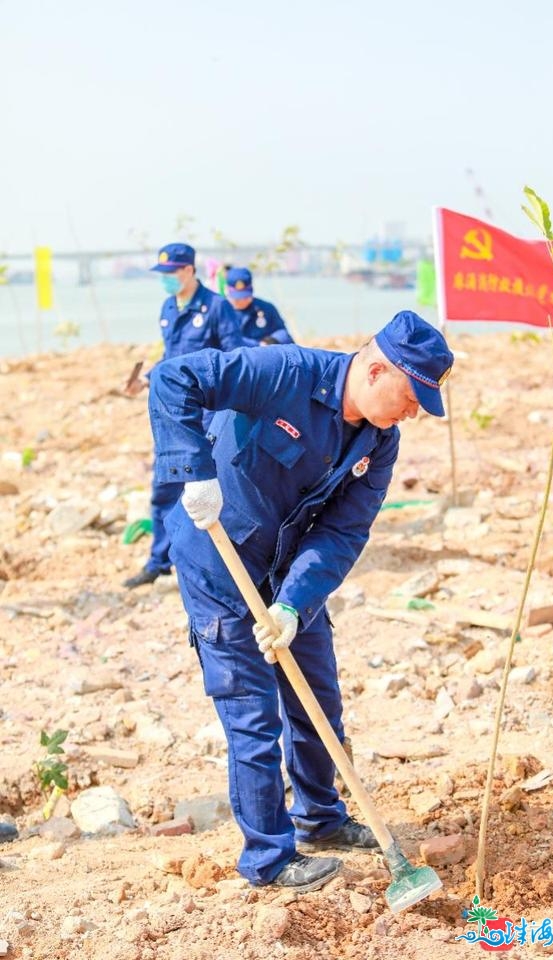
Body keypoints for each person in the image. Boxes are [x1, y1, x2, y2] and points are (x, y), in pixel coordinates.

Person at [148, 310, 454, 891]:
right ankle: (268, 858)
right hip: (220, 554)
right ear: (375, 368)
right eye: (412, 396)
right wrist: (192, 472)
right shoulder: (283, 371)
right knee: (252, 712)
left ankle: (320, 818)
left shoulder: (379, 444)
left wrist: (293, 605)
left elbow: (342, 533)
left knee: (317, 693)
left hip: (287, 567)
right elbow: (174, 379)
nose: (413, 412)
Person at [123, 242, 244, 589]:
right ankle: (159, 562)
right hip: (172, 414)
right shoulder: (167, 306)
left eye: (172, 272)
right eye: (162, 274)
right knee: (164, 489)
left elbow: (236, 359)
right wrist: (146, 378)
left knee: (211, 490)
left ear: (190, 270)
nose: (167, 280)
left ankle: (215, 568)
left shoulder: (218, 308)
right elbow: (171, 356)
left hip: (207, 415)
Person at [225, 266, 294, 345]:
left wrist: (271, 341)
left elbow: (283, 333)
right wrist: (256, 345)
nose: (242, 301)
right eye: (238, 298)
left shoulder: (266, 308)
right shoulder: (220, 312)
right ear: (228, 291)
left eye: (246, 297)